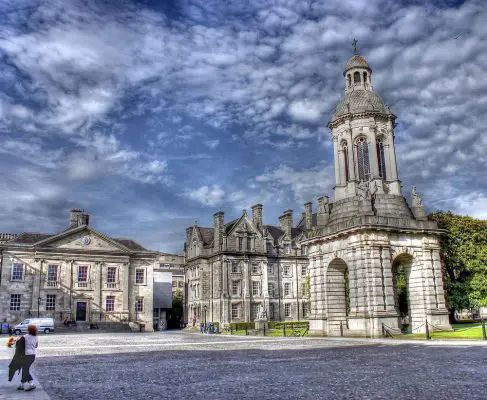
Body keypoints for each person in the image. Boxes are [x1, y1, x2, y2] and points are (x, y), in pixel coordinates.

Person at [19, 324, 38, 391]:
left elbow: (20, 347)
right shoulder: (36, 337)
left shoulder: (24, 337)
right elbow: (36, 346)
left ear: (28, 330)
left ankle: (31, 383)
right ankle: (21, 384)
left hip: (26, 355)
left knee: (25, 370)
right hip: (33, 355)